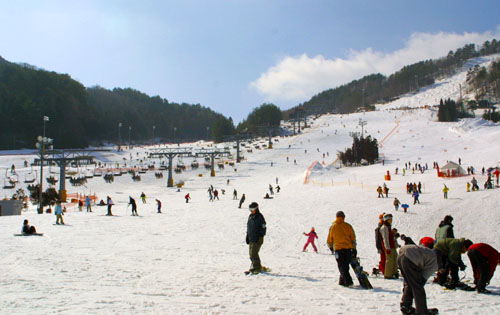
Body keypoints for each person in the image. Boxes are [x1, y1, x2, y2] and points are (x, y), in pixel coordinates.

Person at [398, 244, 439, 315]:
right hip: (410, 258)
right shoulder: (434, 263)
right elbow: (422, 279)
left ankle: (406, 306)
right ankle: (421, 312)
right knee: (418, 288)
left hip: (401, 255)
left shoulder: (430, 254)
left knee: (409, 283)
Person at [327, 211, 356, 287]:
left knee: (341, 265)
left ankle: (347, 282)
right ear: (343, 217)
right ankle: (343, 281)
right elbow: (353, 238)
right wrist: (354, 248)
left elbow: (329, 239)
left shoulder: (333, 227)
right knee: (345, 265)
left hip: (338, 249)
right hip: (348, 248)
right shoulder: (348, 226)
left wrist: (331, 247)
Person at [245, 202, 267, 274]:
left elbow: (263, 226)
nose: (251, 211)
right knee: (251, 254)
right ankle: (257, 266)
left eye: (252, 209)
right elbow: (249, 227)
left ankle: (257, 268)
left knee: (254, 253)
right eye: (250, 209)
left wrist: (261, 235)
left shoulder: (259, 217)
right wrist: (247, 235)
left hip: (257, 238)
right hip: (251, 237)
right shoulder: (250, 216)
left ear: (256, 208)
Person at [379, 213, 398, 279]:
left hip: (392, 246)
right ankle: (388, 274)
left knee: (394, 259)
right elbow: (385, 238)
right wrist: (387, 248)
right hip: (389, 247)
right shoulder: (384, 228)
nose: (391, 220)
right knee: (389, 260)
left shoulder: (388, 227)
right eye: (390, 219)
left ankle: (394, 272)